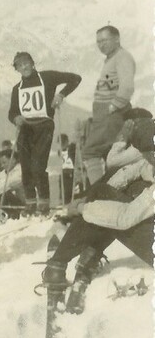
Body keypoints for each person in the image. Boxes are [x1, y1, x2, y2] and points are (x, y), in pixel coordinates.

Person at [42, 117, 154, 314]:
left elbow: (124, 218)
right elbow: (130, 171)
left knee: (108, 209)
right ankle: (84, 256)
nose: (149, 158)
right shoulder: (149, 161)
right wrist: (94, 197)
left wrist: (85, 209)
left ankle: (59, 264)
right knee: (106, 193)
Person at [8, 52, 81, 216]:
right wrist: (15, 118)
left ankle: (43, 202)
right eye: (20, 65)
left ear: (33, 63)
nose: (24, 67)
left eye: (26, 63)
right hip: (26, 128)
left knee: (38, 165)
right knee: (25, 166)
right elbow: (11, 112)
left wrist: (62, 94)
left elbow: (76, 78)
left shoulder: (47, 77)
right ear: (17, 69)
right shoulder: (16, 89)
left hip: (44, 125)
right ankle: (30, 202)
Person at [82, 25, 136, 184]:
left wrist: (112, 107)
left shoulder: (122, 57)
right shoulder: (112, 58)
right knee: (110, 152)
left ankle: (99, 194)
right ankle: (111, 191)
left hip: (111, 113)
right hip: (104, 113)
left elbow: (127, 87)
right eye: (98, 41)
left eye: (104, 40)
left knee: (91, 152)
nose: (101, 44)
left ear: (117, 39)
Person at [60, 134, 75, 204]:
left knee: (70, 187)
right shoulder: (60, 151)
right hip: (64, 171)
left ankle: (69, 200)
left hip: (70, 170)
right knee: (64, 187)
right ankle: (64, 200)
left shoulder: (71, 149)